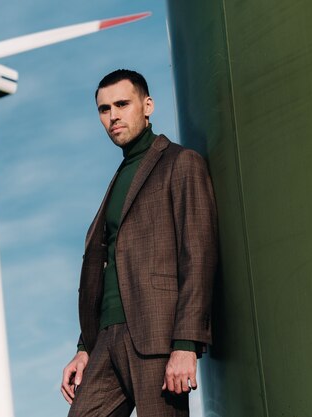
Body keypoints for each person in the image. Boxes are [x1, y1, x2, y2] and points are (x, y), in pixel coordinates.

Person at [60, 69, 218, 416]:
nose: (113, 115)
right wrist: (84, 346)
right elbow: (104, 268)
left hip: (157, 337)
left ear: (147, 106)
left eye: (122, 104)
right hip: (105, 341)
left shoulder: (181, 163)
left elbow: (198, 257)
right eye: (104, 109)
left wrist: (185, 344)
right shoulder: (118, 180)